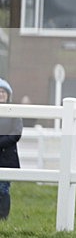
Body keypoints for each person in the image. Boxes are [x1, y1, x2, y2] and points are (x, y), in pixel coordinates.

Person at [0, 78, 23, 220]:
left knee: (3, 189)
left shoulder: (14, 112)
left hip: (7, 157)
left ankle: (3, 217)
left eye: (3, 92)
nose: (1, 94)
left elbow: (16, 134)